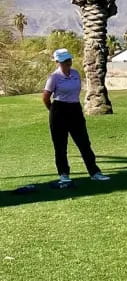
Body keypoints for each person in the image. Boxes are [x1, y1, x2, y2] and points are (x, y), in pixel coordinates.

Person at [41, 49, 110, 184]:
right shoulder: (54, 77)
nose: (68, 63)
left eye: (69, 60)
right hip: (59, 109)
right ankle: (64, 174)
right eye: (64, 61)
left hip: (75, 109)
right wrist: (53, 110)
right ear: (58, 62)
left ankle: (94, 172)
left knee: (84, 143)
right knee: (60, 145)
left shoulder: (75, 74)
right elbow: (45, 97)